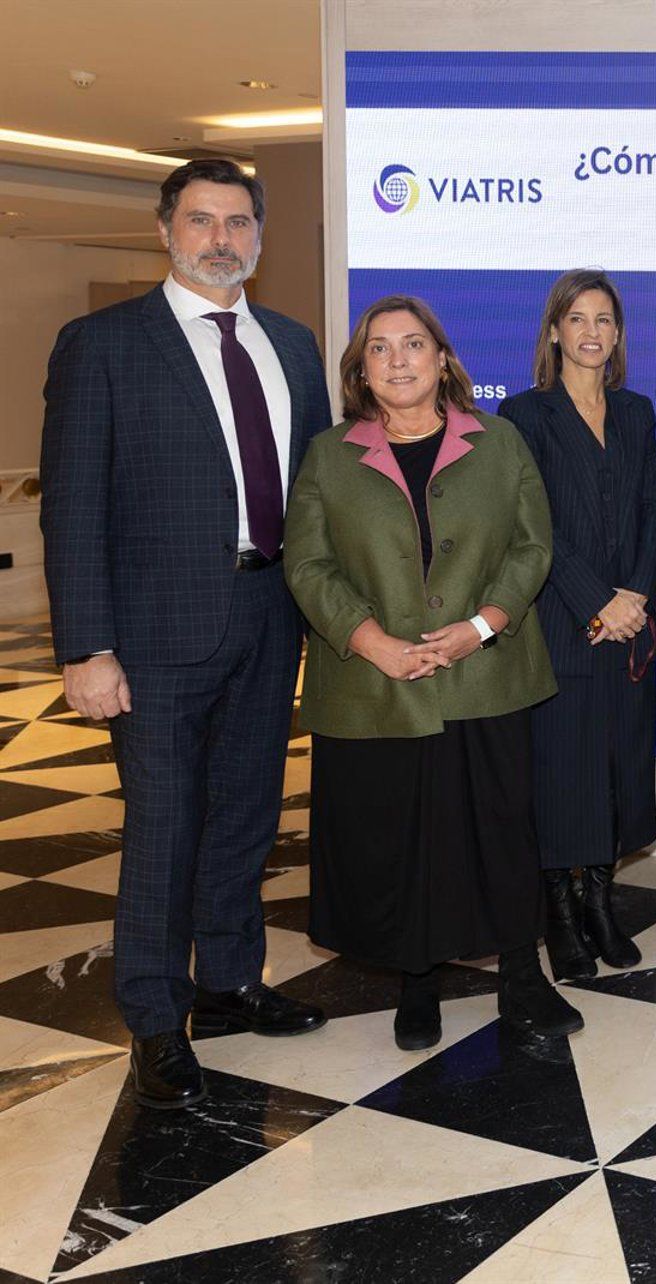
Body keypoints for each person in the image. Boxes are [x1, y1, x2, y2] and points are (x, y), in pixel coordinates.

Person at [40, 159, 331, 1110]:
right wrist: (86, 648)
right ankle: (156, 1021)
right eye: (201, 221)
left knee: (247, 814)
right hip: (153, 637)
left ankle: (231, 982)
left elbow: (317, 494)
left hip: (270, 617)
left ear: (260, 237)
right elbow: (72, 507)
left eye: (238, 223)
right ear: (166, 231)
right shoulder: (103, 344)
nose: (220, 239)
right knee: (163, 829)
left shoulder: (293, 346)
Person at [284, 295, 580, 1051]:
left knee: (499, 832)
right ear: (360, 370)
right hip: (376, 683)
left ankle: (522, 977)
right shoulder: (329, 455)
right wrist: (371, 641)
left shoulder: (500, 440)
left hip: (487, 674)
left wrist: (482, 625)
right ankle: (416, 981)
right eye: (379, 349)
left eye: (413, 344)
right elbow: (308, 564)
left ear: (443, 359)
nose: (398, 360)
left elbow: (533, 547)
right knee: (400, 837)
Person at [500, 270, 656, 981]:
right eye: (577, 319)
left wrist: (636, 596)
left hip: (629, 630)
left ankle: (600, 904)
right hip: (563, 626)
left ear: (618, 333)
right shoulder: (523, 415)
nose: (591, 332)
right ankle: (561, 919)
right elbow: (532, 527)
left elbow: (655, 512)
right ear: (554, 332)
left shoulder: (634, 412)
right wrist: (598, 601)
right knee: (562, 776)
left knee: (616, 771)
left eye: (603, 320)